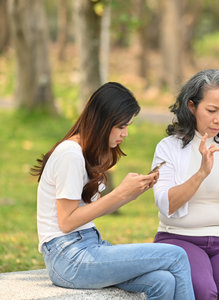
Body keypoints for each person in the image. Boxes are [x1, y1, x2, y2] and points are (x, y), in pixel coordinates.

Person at [31, 82, 195, 300]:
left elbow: (89, 211)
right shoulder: (70, 154)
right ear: (102, 121)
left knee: (162, 281)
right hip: (68, 257)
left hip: (88, 246)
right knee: (176, 255)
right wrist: (119, 193)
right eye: (121, 126)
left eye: (127, 126)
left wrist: (130, 194)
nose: (125, 134)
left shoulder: (87, 152)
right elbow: (67, 221)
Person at [151, 69, 219, 300]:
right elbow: (165, 204)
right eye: (211, 110)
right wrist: (201, 172)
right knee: (204, 292)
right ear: (191, 106)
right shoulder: (168, 147)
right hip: (179, 239)